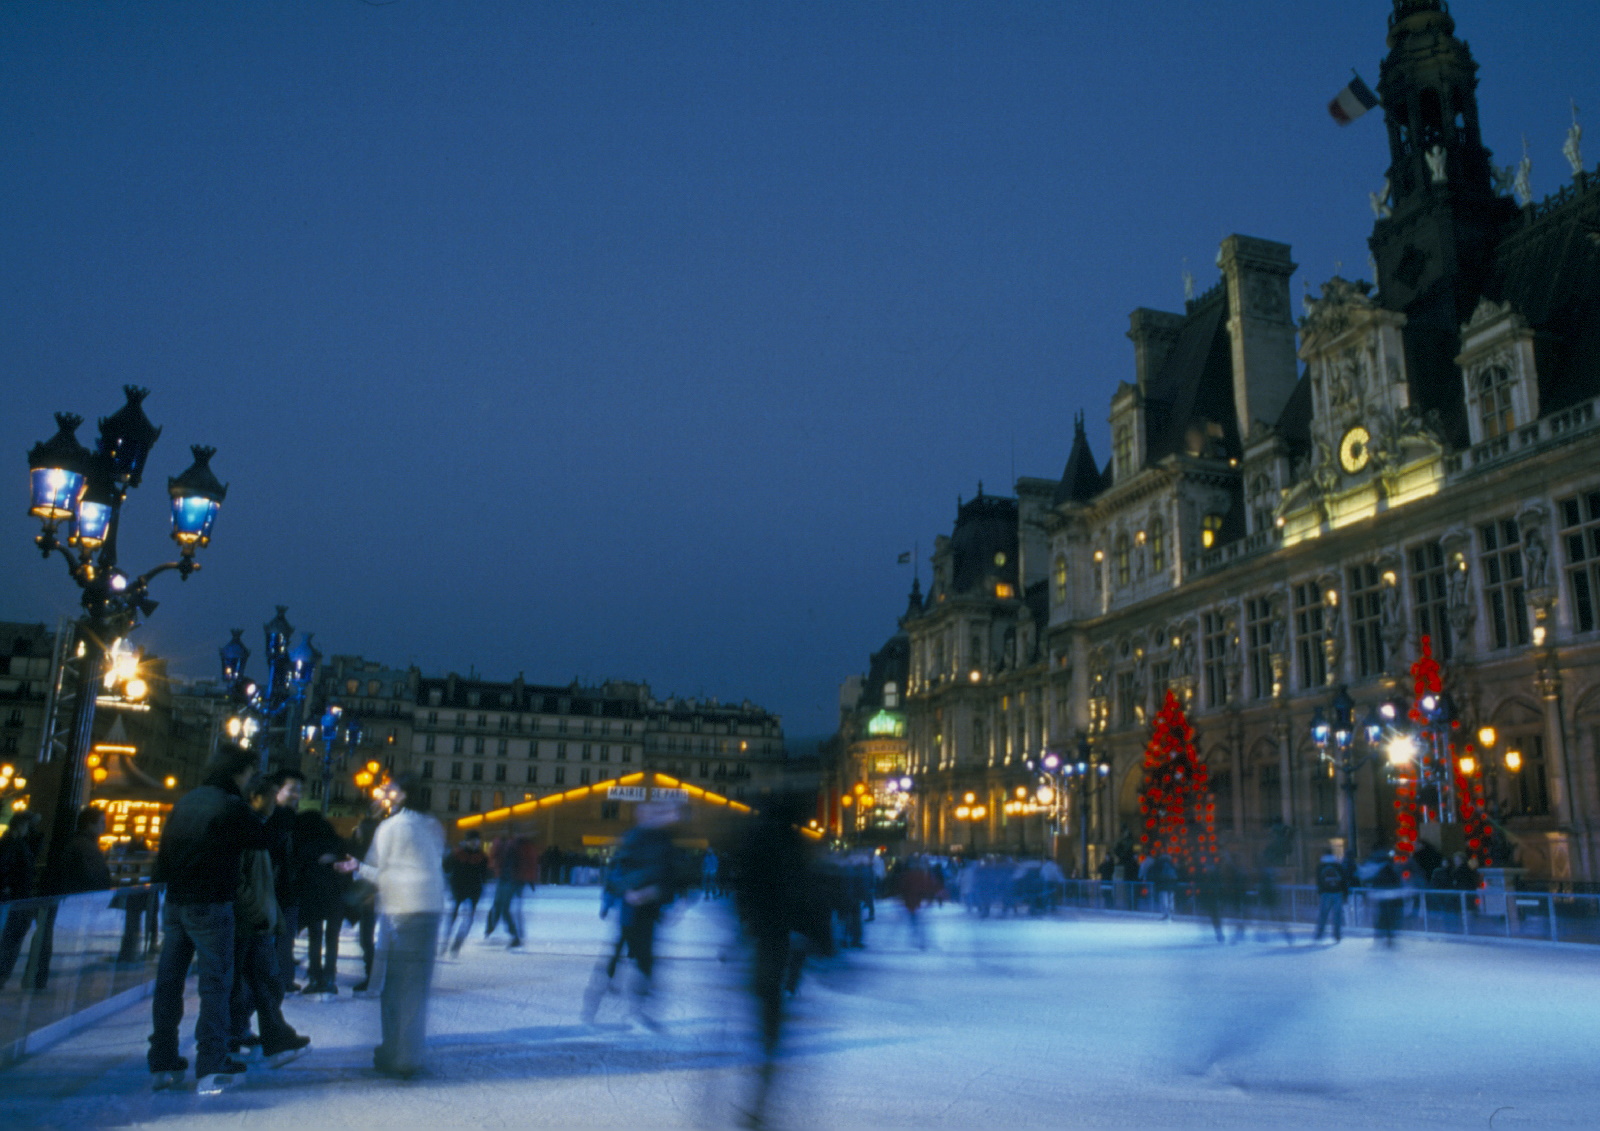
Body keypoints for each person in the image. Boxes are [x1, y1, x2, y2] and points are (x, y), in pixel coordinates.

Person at [147, 745, 271, 1094]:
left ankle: (163, 1058)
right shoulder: (231, 805)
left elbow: (163, 857)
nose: (250, 781)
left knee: (169, 982)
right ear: (240, 771)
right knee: (215, 984)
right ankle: (211, 1061)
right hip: (212, 903)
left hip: (175, 903)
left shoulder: (186, 802)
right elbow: (261, 838)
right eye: (250, 773)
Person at [338, 773, 445, 1078]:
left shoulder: (393, 826)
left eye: (390, 791)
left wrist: (357, 869)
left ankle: (396, 1054)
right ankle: (407, 1052)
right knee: (415, 987)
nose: (385, 795)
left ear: (401, 795)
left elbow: (381, 870)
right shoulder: (431, 824)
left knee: (396, 987)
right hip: (430, 908)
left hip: (402, 910)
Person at [227, 778, 310, 1067]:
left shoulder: (269, 826)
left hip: (266, 912)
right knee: (259, 979)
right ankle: (256, 1035)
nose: (279, 801)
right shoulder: (251, 827)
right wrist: (259, 910)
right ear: (256, 797)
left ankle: (250, 1033)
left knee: (263, 979)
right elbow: (241, 876)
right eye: (276, 795)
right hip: (255, 916)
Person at [582, 801, 680, 1025]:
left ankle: (640, 1006)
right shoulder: (633, 838)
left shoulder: (664, 841)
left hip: (649, 912)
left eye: (657, 813)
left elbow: (670, 877)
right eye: (647, 813)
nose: (654, 817)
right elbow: (616, 873)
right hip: (630, 911)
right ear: (641, 816)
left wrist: (660, 895)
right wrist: (630, 892)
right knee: (622, 953)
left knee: (644, 958)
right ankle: (597, 1001)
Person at [293, 808, 348, 996]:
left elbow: (299, 870)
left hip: (313, 896)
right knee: (332, 939)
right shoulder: (338, 843)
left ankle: (315, 977)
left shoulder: (306, 844)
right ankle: (329, 979)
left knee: (314, 938)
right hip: (336, 897)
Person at [263, 770, 304, 991]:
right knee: (282, 939)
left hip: (280, 889)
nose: (298, 794)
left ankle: (279, 980)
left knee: (280, 940)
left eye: (300, 790)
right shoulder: (283, 819)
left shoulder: (275, 817)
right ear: (278, 790)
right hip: (281, 890)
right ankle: (280, 981)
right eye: (293, 789)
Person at [0, 812, 43, 987]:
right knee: (11, 938)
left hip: (16, 899)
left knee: (11, 938)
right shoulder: (12, 845)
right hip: (15, 899)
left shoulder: (15, 844)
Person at [348, 799, 385, 992]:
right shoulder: (369, 846)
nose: (357, 832)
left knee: (366, 938)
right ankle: (373, 975)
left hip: (371, 898)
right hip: (369, 896)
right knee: (367, 938)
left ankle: (372, 977)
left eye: (359, 830)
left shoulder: (370, 849)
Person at [440, 830, 489, 955]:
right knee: (453, 915)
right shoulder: (457, 854)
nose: (475, 843)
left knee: (468, 918)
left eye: (476, 841)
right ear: (466, 841)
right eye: (472, 841)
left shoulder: (482, 856)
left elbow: (486, 873)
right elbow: (445, 866)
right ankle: (445, 942)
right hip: (459, 888)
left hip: (474, 889)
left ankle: (457, 943)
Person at [1313, 849, 1351, 943]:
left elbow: (1319, 881)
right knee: (1337, 915)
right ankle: (1337, 935)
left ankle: (1319, 934)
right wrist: (1345, 893)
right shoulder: (1338, 865)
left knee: (1323, 914)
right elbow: (1343, 880)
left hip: (1325, 893)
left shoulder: (1320, 866)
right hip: (1337, 892)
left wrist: (1320, 891)